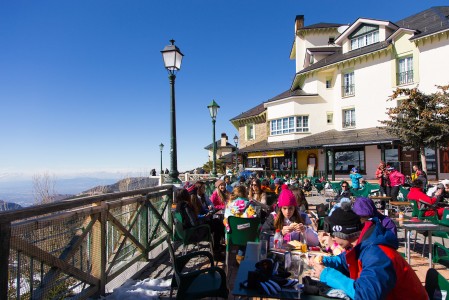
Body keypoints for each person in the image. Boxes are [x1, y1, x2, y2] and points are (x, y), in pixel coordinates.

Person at [311, 206, 428, 300]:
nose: (332, 239)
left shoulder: (376, 254)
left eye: (333, 235)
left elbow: (366, 295)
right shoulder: (361, 244)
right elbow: (344, 260)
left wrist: (326, 274)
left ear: (343, 233)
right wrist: (324, 260)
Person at [223, 185, 258, 263]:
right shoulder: (249, 204)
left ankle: (239, 258)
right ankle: (241, 257)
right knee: (246, 229)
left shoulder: (229, 205)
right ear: (245, 193)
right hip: (246, 235)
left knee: (237, 228)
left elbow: (226, 218)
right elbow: (254, 218)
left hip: (232, 235)